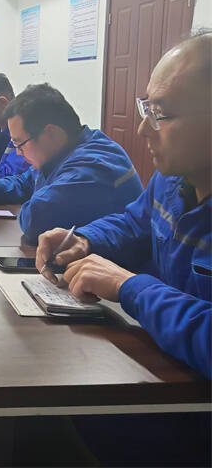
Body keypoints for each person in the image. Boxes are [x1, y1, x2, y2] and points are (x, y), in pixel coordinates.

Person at [35, 33, 211, 378]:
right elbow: (134, 223)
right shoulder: (172, 179)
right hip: (160, 362)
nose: (143, 129)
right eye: (147, 108)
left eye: (160, 114)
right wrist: (85, 239)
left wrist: (129, 287)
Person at [0, 84, 143, 245]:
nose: (18, 152)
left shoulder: (93, 165)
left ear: (51, 133)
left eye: (20, 144)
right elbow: (26, 182)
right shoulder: (64, 151)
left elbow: (35, 219)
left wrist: (32, 199)